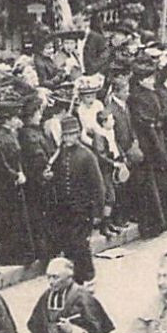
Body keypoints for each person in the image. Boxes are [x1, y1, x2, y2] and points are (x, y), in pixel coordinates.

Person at [45, 115, 104, 283]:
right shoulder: (60, 155)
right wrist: (49, 176)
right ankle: (74, 277)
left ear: (78, 134)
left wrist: (99, 212)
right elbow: (56, 176)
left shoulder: (87, 156)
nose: (68, 138)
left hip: (83, 208)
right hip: (65, 209)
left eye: (71, 134)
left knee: (80, 245)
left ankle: (88, 276)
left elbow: (98, 185)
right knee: (69, 244)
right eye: (65, 135)